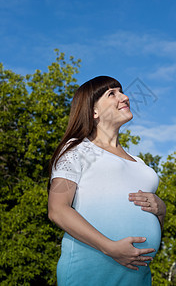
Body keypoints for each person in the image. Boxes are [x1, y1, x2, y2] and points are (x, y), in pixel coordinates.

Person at [48, 76, 166, 286]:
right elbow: (57, 209)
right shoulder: (76, 151)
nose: (125, 97)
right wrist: (109, 247)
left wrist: (161, 210)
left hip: (138, 276)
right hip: (90, 273)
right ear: (94, 112)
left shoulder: (140, 164)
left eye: (121, 91)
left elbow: (152, 223)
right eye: (112, 94)